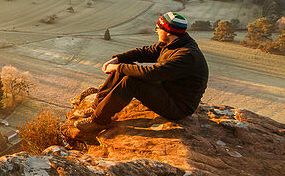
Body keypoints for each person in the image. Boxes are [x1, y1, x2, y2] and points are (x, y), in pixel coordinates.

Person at [64, 11, 208, 141]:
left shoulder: (186, 55)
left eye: (158, 28)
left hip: (178, 106)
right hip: (167, 91)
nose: (156, 30)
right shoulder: (174, 43)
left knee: (131, 80)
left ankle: (99, 121)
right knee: (125, 69)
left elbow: (153, 72)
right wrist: (119, 59)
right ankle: (97, 107)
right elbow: (146, 52)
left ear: (169, 32)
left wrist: (119, 67)